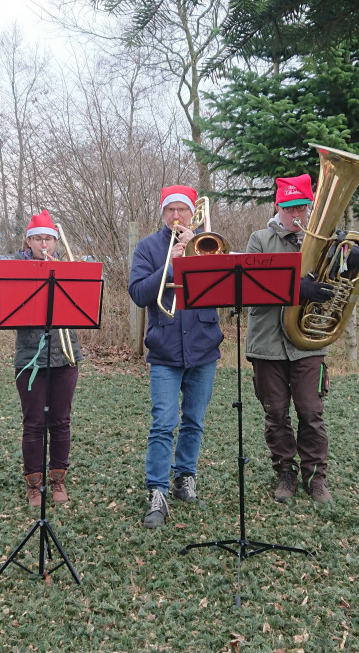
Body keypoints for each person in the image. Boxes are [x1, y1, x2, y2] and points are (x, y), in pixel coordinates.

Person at [245, 174, 359, 505]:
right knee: (276, 411)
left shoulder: (323, 242)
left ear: (310, 208)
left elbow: (341, 276)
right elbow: (253, 289)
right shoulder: (259, 240)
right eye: (290, 207)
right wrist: (297, 290)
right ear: (277, 206)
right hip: (267, 344)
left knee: (311, 411)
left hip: (308, 342)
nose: (296, 215)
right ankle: (285, 472)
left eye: (302, 207)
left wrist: (347, 259)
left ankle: (316, 477)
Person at [128, 185, 224, 528]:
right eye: (170, 210)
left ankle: (186, 477)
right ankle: (157, 490)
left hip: (203, 345)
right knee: (163, 424)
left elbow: (226, 289)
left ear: (193, 215)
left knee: (194, 421)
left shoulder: (208, 245)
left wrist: (198, 257)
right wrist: (170, 266)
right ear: (162, 213)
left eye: (183, 210)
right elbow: (138, 293)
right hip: (165, 349)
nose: (176, 216)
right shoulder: (148, 247)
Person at [14, 210, 84, 507]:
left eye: (49, 239)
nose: (44, 243)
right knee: (33, 423)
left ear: (55, 242)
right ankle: (34, 483)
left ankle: (57, 480)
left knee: (60, 421)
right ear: (28, 241)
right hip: (30, 356)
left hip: (66, 355)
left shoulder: (65, 267)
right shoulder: (15, 270)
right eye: (38, 238)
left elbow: (84, 303)